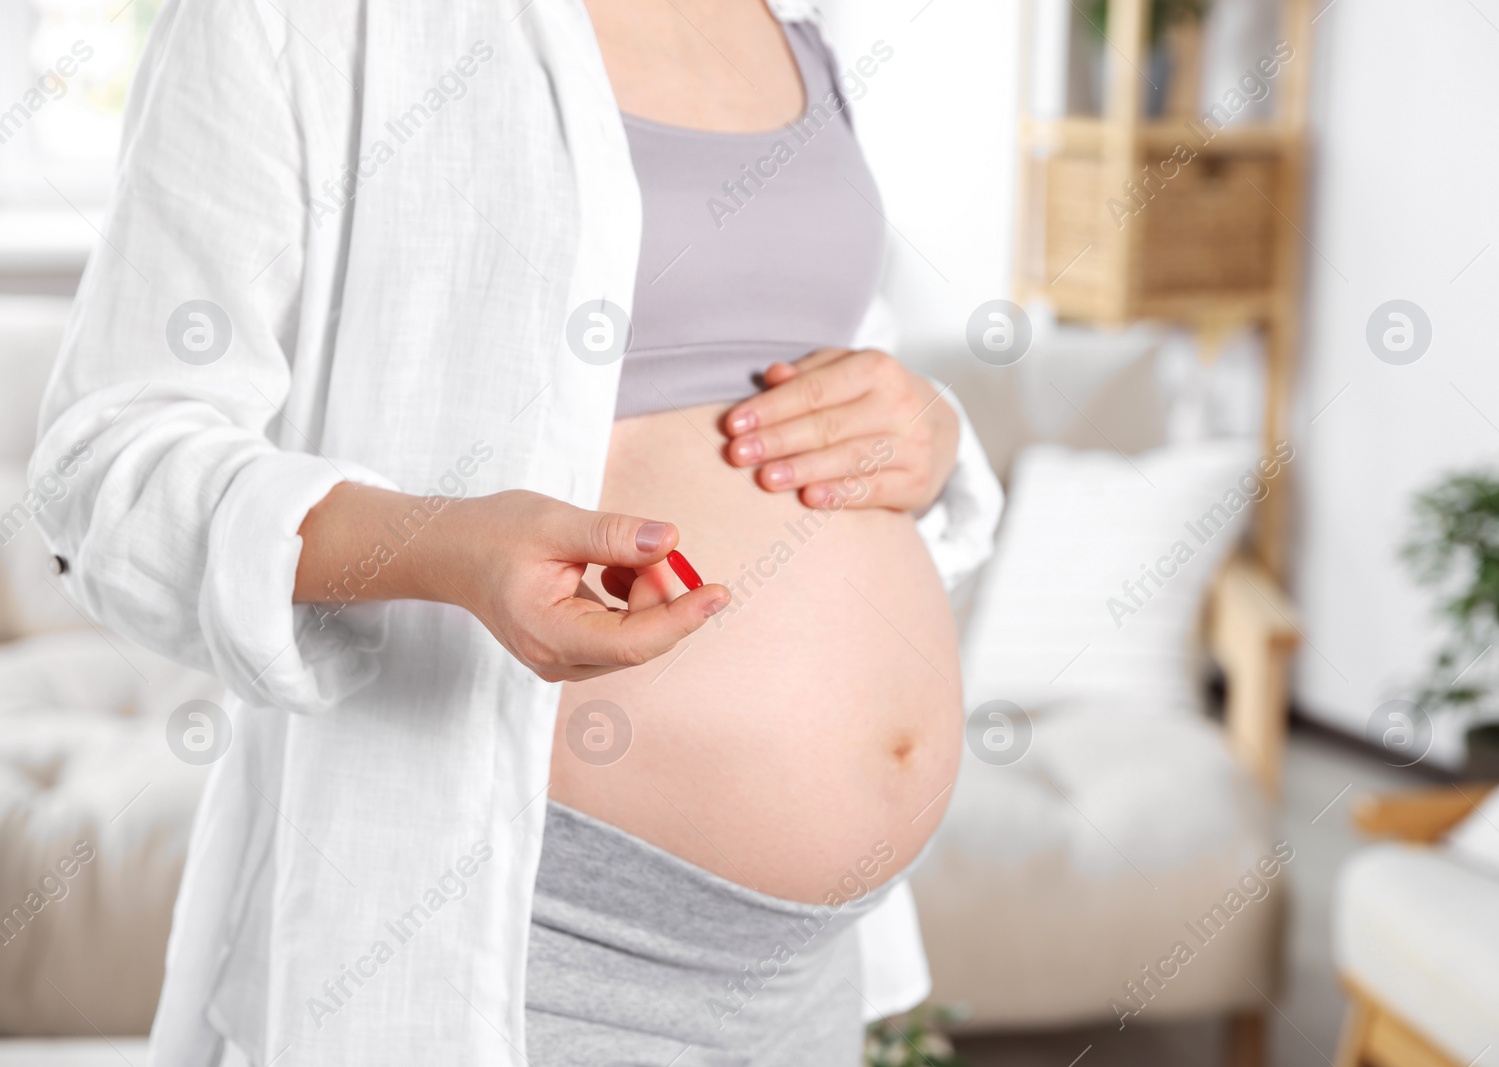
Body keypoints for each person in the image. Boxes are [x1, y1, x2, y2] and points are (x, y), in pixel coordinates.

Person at [31, 0, 1002, 1063]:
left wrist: (931, 434)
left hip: (811, 977)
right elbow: (107, 463)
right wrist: (442, 547)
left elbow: (835, 369)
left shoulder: (793, 14)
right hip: (524, 935)